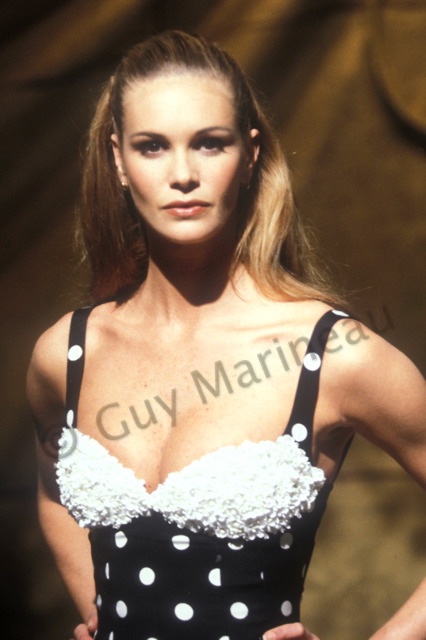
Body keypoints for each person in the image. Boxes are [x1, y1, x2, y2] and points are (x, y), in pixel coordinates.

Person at [26, 30, 425, 640]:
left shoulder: (330, 355)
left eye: (210, 144)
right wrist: (99, 612)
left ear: (251, 154)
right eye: (152, 146)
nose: (183, 174)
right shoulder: (67, 353)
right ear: (118, 160)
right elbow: (54, 493)